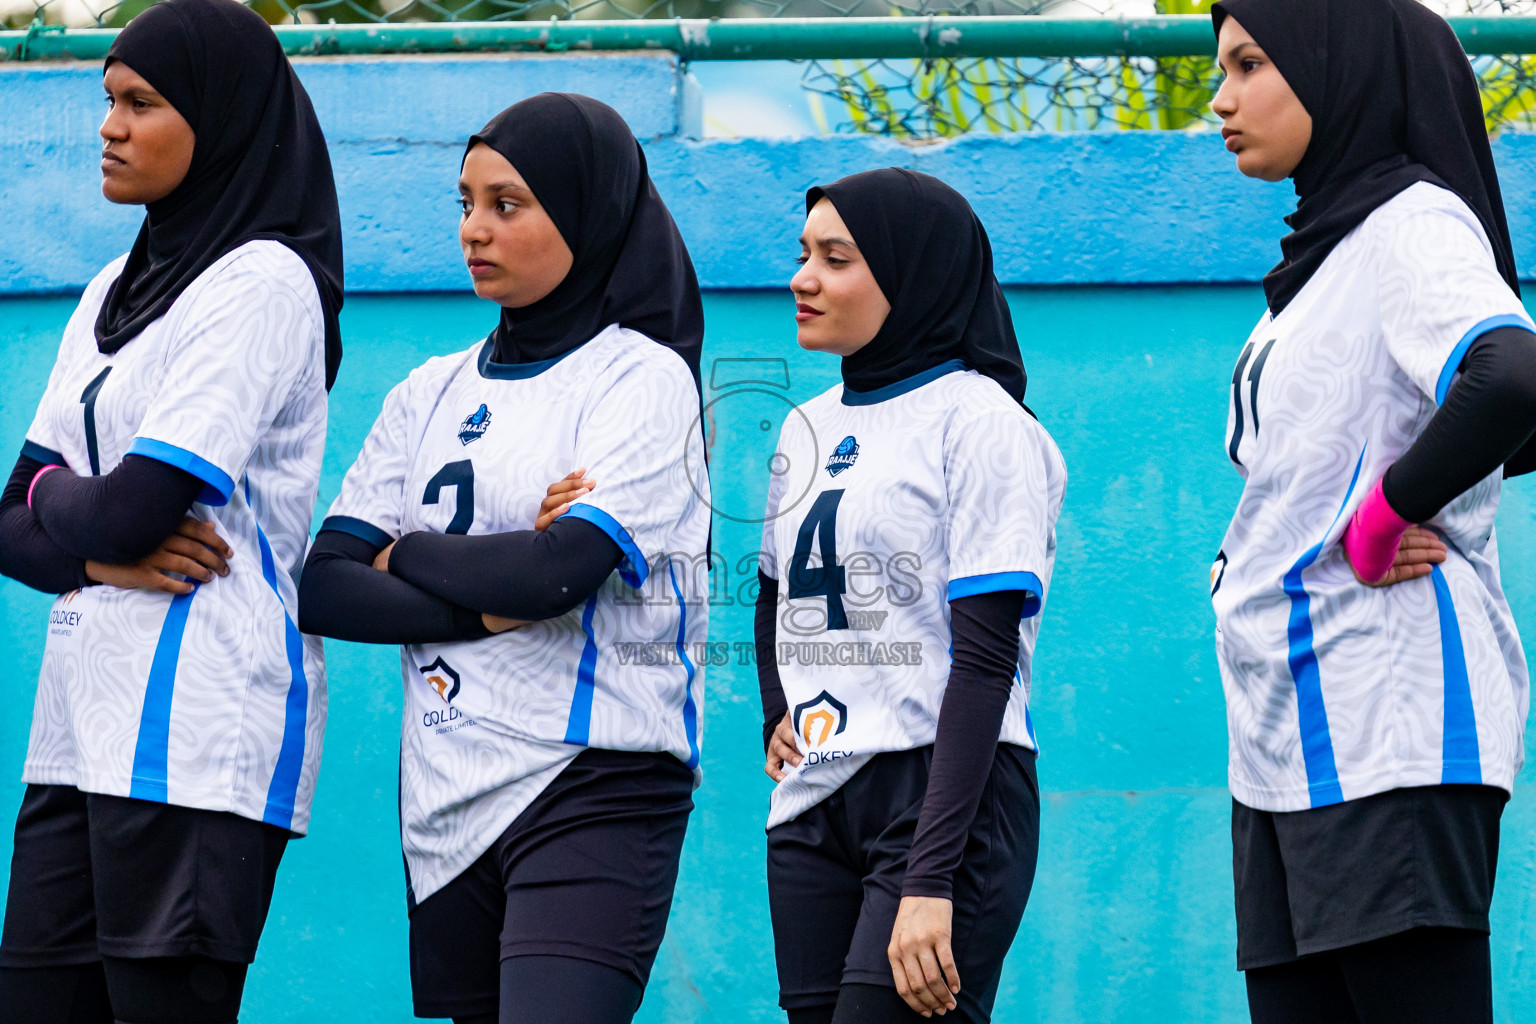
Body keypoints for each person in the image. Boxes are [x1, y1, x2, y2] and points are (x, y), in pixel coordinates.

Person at [297, 92, 708, 1024]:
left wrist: (405, 553)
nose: (474, 229)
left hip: (592, 776)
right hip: (446, 795)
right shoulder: (426, 391)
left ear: (585, 214)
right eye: (465, 203)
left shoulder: (640, 377)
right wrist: (492, 594)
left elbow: (557, 575)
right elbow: (322, 587)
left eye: (508, 205)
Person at [0, 1, 344, 1021]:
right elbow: (15, 521)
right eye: (109, 99)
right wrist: (94, 545)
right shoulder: (115, 285)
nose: (110, 125)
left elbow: (135, 507)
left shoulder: (262, 280)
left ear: (222, 119)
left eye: (141, 103)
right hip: (77, 724)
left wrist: (61, 505)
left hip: (195, 731)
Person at [1208, 1, 1536, 1020]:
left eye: (1251, 63)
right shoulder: (1322, 262)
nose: (1222, 98)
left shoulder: (1411, 224)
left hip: (1384, 723)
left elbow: (1511, 373)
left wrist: (1382, 514)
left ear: (1339, 69)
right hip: (1280, 741)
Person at [757, 168, 1065, 1023]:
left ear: (911, 273)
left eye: (836, 258)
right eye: (803, 253)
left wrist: (932, 879)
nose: (802, 278)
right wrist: (777, 705)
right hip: (817, 799)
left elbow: (985, 661)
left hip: (945, 794)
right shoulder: (806, 424)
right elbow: (776, 586)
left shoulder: (980, 420)